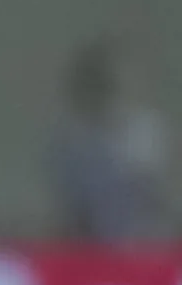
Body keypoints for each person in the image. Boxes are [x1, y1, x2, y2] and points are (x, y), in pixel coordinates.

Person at [50, 36, 173, 243]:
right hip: (92, 247)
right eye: (95, 84)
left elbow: (156, 194)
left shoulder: (144, 131)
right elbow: (74, 208)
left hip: (144, 244)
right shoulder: (71, 142)